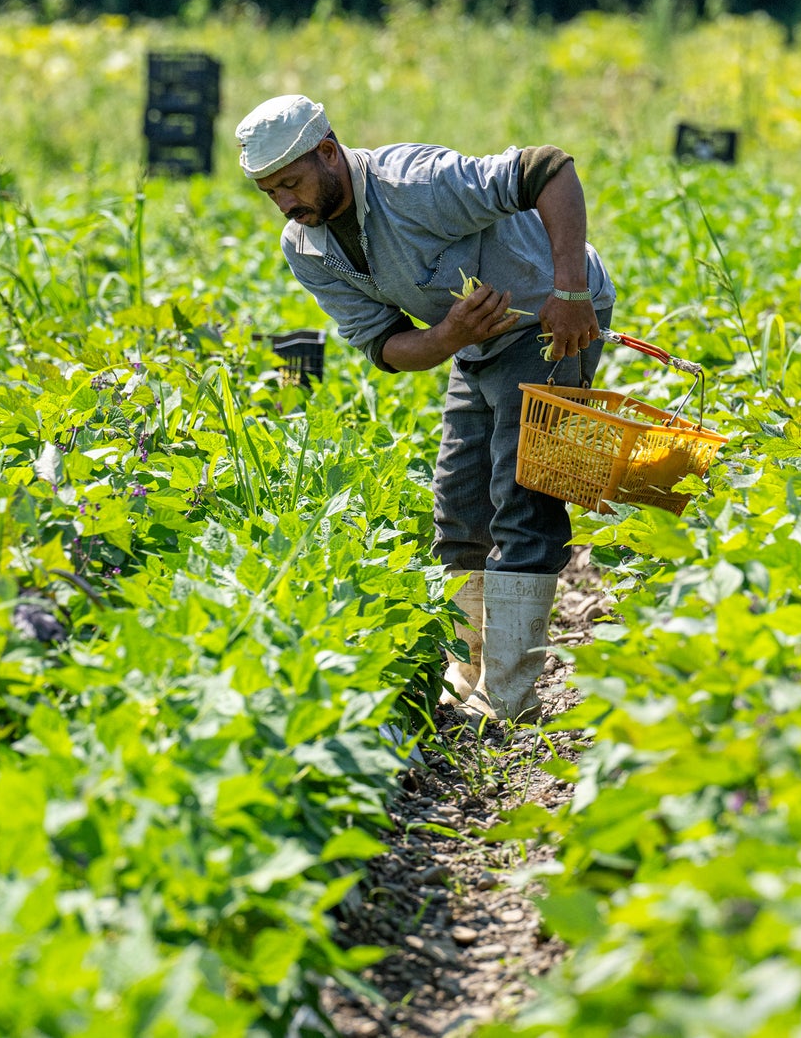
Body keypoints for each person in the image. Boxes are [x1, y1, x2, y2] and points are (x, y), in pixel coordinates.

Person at [240, 94, 615, 723]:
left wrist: (571, 290)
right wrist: (450, 338)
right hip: (475, 338)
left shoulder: (415, 185)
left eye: (292, 183)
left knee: (522, 491)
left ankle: (513, 692)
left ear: (328, 152)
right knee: (460, 502)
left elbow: (549, 168)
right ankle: (470, 672)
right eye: (270, 192)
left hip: (548, 319)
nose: (286, 203)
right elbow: (387, 346)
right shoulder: (305, 246)